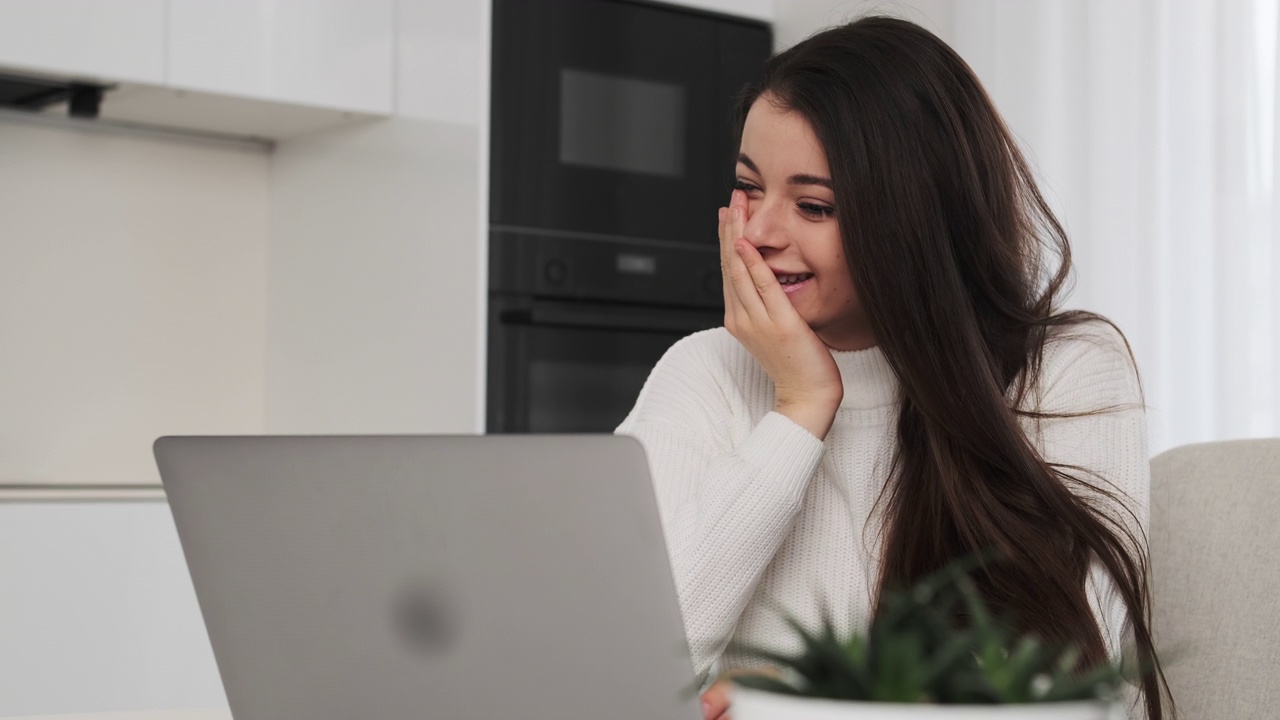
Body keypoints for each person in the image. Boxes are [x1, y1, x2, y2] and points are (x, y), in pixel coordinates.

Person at [614, 15, 1172, 720]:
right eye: (748, 187)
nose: (756, 232)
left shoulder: (1066, 371)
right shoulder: (705, 371)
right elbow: (624, 672)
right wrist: (799, 409)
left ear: (914, 220)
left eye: (813, 205)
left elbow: (1074, 695)